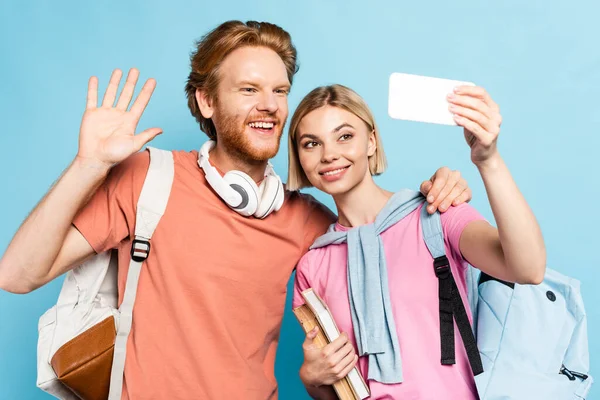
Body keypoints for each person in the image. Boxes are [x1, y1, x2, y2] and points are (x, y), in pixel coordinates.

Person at [0, 21, 473, 399]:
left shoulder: (310, 221)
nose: (269, 106)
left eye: (279, 90)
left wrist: (436, 193)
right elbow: (17, 275)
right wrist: (87, 167)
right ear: (206, 101)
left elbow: (390, 249)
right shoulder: (148, 177)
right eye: (248, 90)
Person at [288, 84, 546, 399]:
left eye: (344, 136)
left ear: (370, 141)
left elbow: (528, 268)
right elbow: (336, 388)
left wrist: (488, 160)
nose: (329, 154)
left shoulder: (436, 213)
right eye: (311, 143)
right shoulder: (313, 266)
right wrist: (312, 379)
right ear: (299, 157)